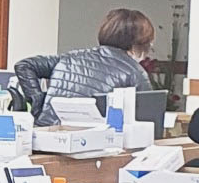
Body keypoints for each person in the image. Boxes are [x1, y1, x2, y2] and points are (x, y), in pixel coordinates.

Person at [12, 7, 155, 126]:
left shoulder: (69, 58)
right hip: (92, 141)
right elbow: (150, 122)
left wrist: (38, 104)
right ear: (140, 43)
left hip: (45, 131)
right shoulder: (135, 72)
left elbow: (24, 65)